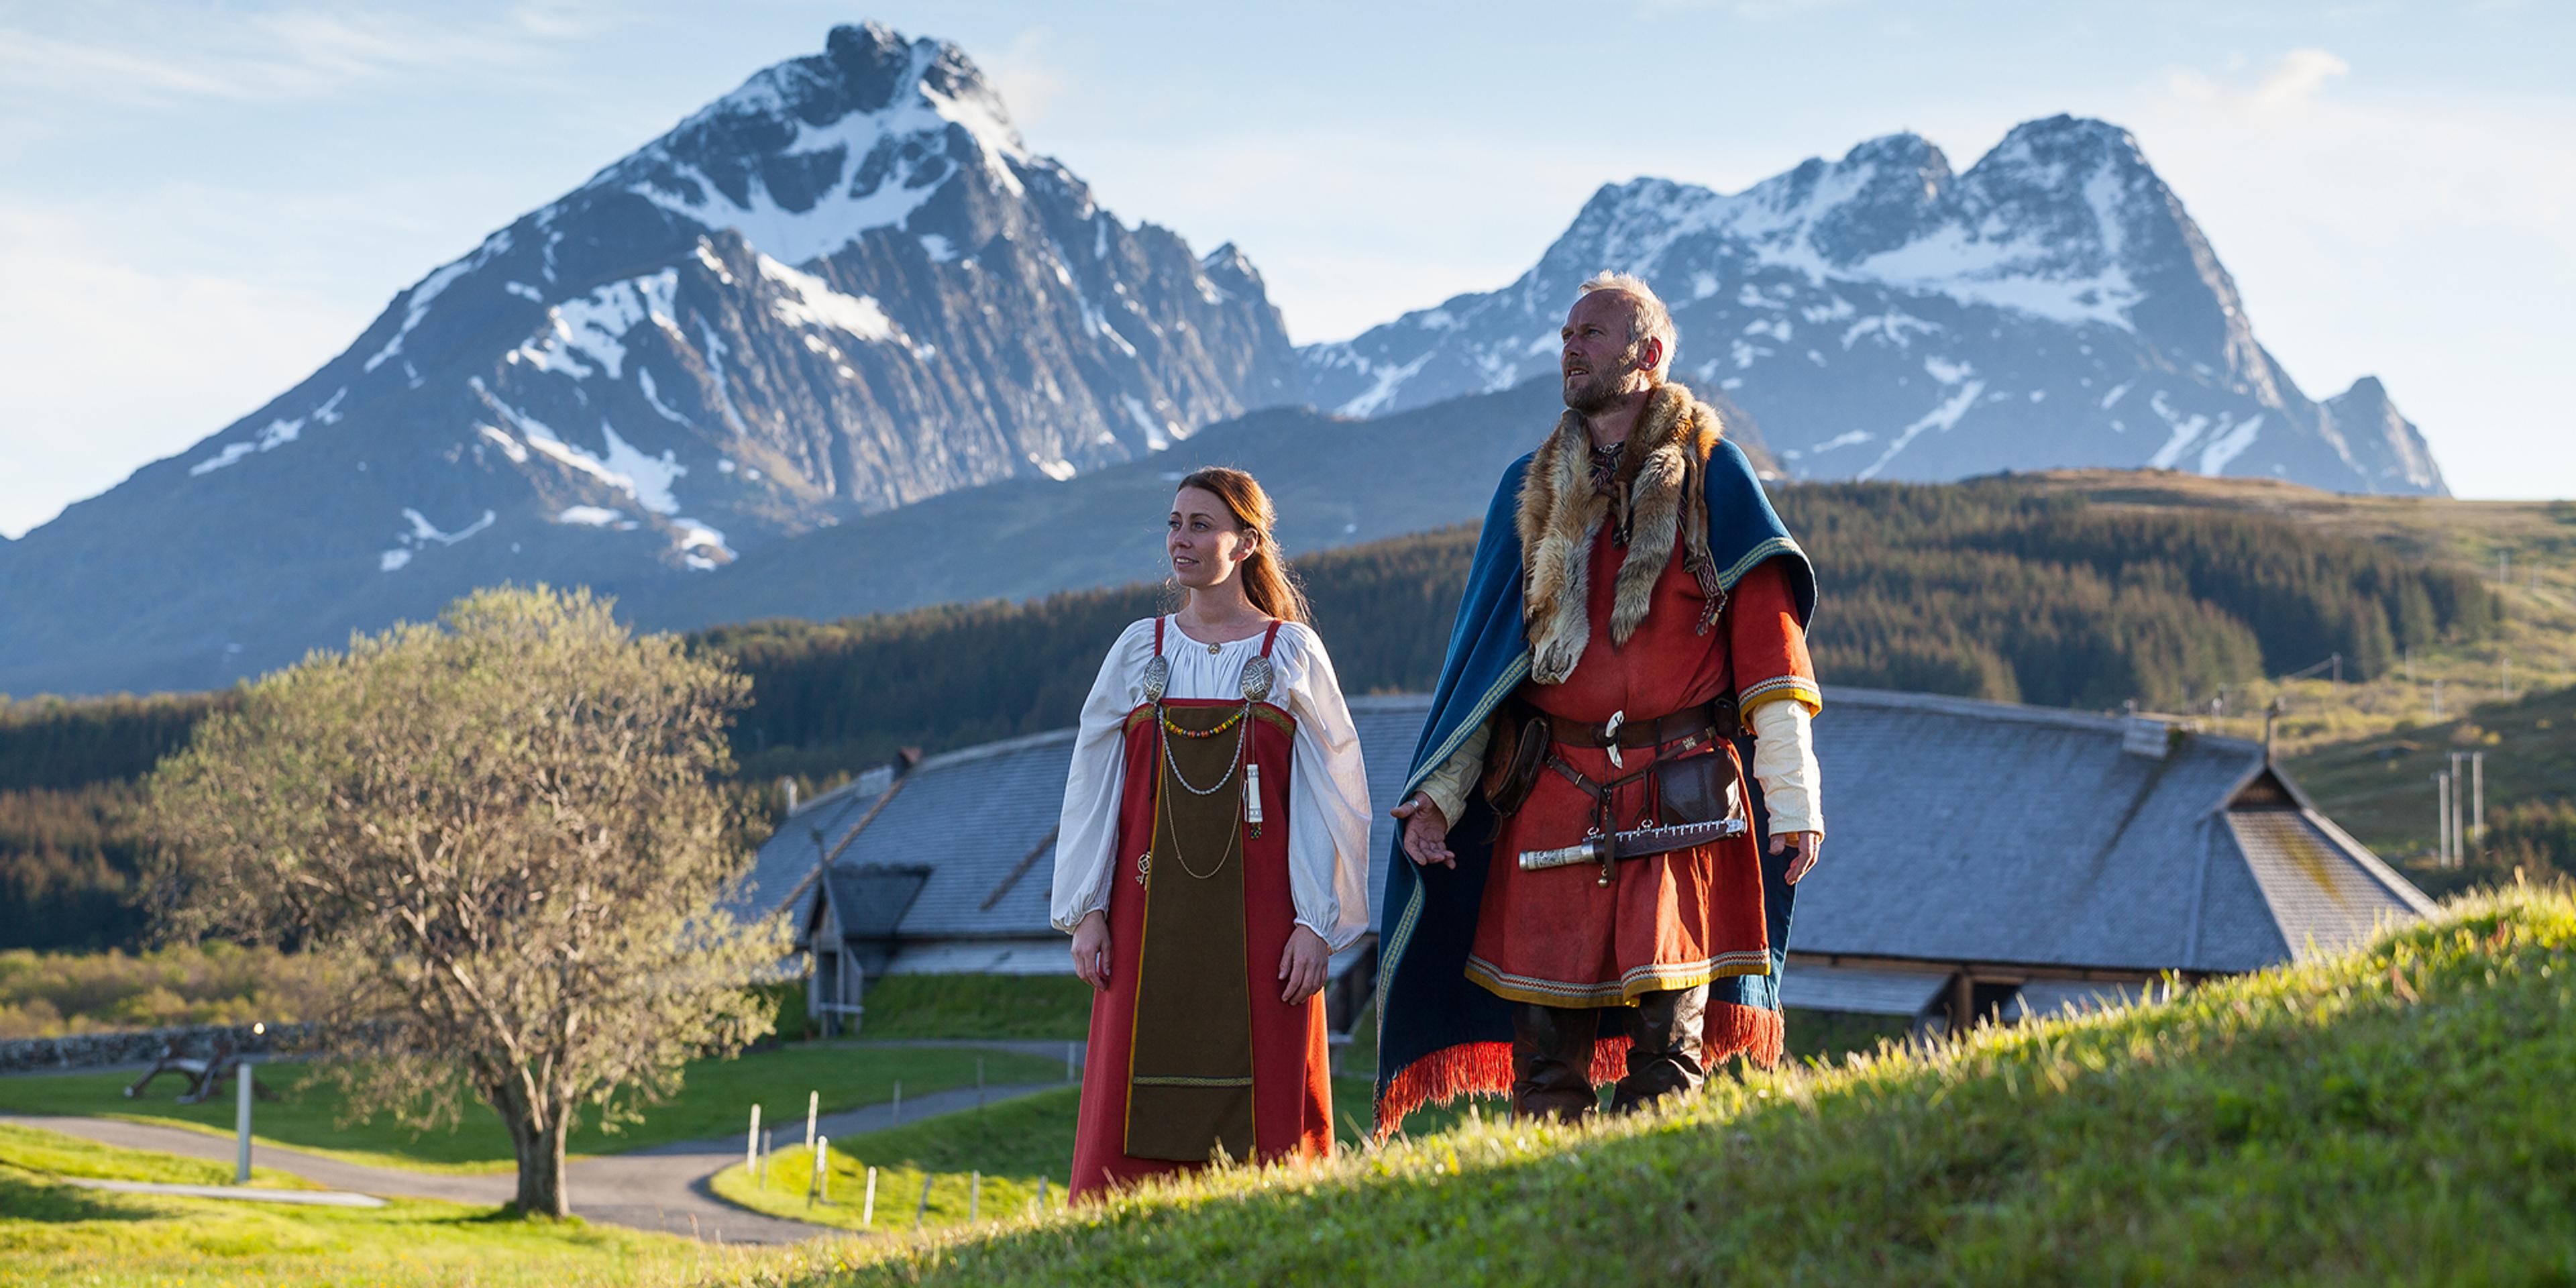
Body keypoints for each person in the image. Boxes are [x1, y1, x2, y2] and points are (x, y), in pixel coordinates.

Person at [1373, 272, 1824, 1130]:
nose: (1571, 348)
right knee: (1545, 1053)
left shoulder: (1713, 476)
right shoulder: (1530, 486)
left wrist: (1795, 799)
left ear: (1646, 354)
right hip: (1551, 790)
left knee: (1667, 1045)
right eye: (1567, 335)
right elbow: (1488, 665)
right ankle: (1546, 1195)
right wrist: (1440, 796)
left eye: (1592, 333)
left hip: (1682, 795)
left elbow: (1773, 654)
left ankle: (1652, 1193)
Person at [1052, 466, 1373, 1199]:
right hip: (1143, 916)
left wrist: (1316, 925)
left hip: (1264, 922)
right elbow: (1091, 784)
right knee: (1129, 1101)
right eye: (1175, 524)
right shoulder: (1139, 650)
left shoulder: (1290, 653)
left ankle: (1269, 1225)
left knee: (1269, 1132)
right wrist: (1087, 908)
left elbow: (1333, 796)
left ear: (1246, 543)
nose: (1182, 539)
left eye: (1201, 525)